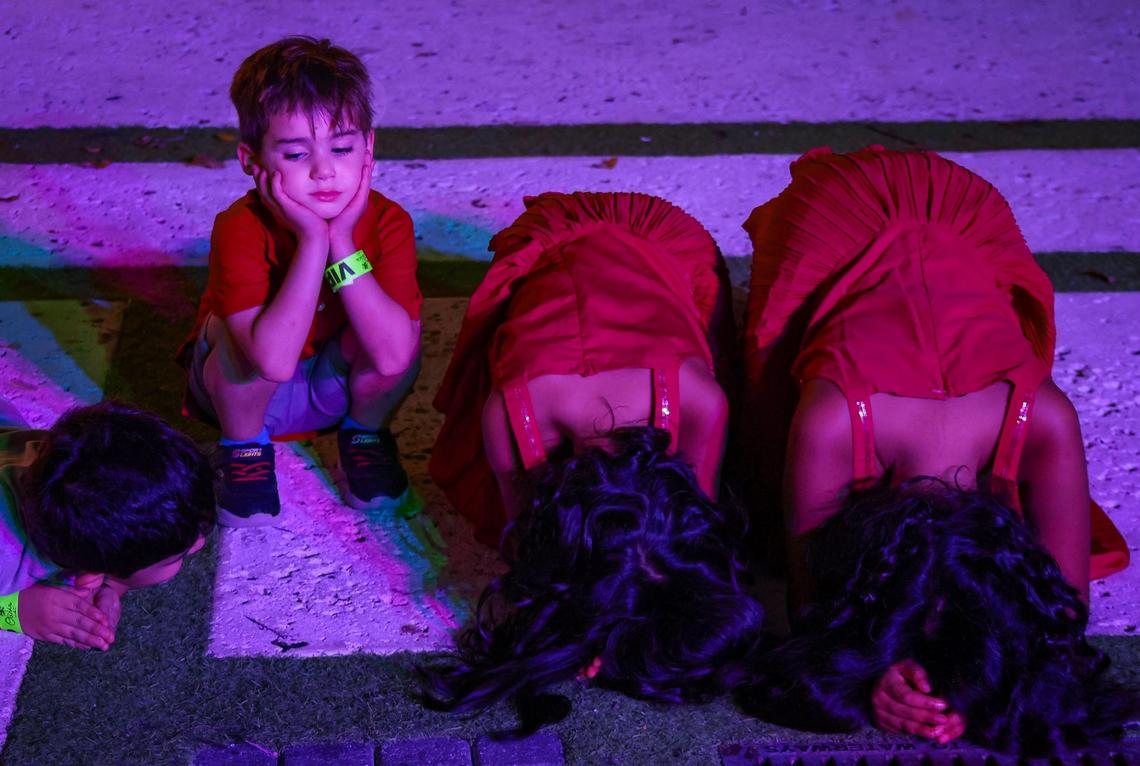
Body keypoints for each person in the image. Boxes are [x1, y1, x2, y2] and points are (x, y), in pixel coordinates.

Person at [736, 146, 1130, 746]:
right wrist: (869, 679)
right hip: (849, 216)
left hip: (948, 225)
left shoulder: (1045, 417)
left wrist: (988, 681)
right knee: (762, 422)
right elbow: (809, 607)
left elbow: (1062, 621)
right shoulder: (834, 420)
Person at [424, 192, 763, 715]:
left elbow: (706, 519)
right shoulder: (511, 416)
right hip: (613, 257)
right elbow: (526, 548)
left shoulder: (701, 399)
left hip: (652, 253)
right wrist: (574, 630)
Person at [178, 36, 422, 526]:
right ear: (251, 161)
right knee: (231, 332)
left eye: (343, 147)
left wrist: (342, 244)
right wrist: (313, 243)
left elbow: (395, 356)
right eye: (294, 155)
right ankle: (244, 451)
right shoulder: (240, 226)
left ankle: (365, 433)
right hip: (248, 394)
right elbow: (270, 359)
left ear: (369, 148)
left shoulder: (390, 220)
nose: (325, 171)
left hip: (335, 391)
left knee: (396, 326)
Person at [0, 399, 214, 650]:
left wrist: (112, 586)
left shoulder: (70, 463)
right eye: (179, 556)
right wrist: (15, 611)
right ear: (90, 571)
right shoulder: (6, 556)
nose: (200, 544)